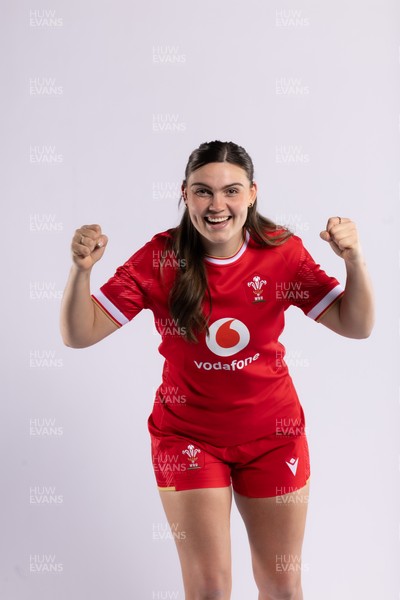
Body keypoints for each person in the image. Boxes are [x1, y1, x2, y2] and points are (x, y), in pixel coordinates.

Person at [60, 140, 374, 600]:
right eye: (203, 191)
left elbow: (357, 324)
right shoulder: (160, 257)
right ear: (185, 195)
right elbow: (79, 334)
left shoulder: (281, 252)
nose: (217, 204)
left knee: (282, 585)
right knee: (209, 589)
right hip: (187, 437)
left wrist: (354, 262)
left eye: (231, 191)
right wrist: (80, 271)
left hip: (273, 435)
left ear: (251, 194)